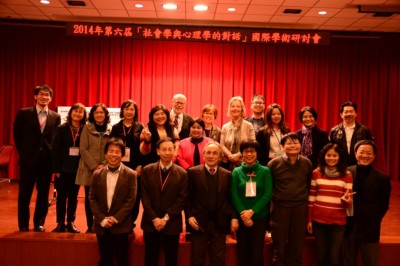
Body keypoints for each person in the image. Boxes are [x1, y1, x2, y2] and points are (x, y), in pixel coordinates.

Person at [13, 84, 61, 232]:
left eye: (47, 95)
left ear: (51, 98)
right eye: (41, 94)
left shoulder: (55, 116)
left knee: (43, 194)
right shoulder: (24, 113)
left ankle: (39, 223)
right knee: (24, 195)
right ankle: (23, 225)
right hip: (28, 161)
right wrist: (25, 153)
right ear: (35, 96)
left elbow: (56, 139)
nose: (44, 97)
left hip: (46, 162)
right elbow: (17, 135)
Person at [186, 141, 238, 266]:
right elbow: (187, 198)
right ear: (203, 155)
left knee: (218, 260)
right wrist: (189, 216)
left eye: (215, 153)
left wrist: (234, 217)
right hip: (198, 224)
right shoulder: (192, 172)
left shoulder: (227, 175)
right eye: (208, 153)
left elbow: (231, 199)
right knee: (197, 260)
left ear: (220, 157)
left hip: (219, 223)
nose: (211, 156)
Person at [89, 137, 137, 266]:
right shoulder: (97, 174)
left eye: (117, 152)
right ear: (105, 154)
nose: (114, 155)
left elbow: (131, 200)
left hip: (121, 226)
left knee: (122, 260)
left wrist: (115, 219)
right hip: (102, 225)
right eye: (111, 151)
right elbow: (92, 198)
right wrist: (102, 219)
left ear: (122, 155)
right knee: (105, 260)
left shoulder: (131, 174)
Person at [141, 137, 188, 266]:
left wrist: (166, 218)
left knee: (171, 258)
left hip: (172, 223)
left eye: (170, 149)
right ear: (157, 151)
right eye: (164, 149)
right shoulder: (147, 170)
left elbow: (182, 199)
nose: (167, 152)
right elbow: (144, 197)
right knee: (150, 258)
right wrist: (155, 218)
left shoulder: (182, 173)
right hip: (151, 223)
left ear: (174, 151)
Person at [267, 133, 313, 266]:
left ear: (301, 145)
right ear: (282, 146)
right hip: (279, 209)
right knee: (279, 247)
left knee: (297, 246)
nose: (292, 145)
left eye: (295, 142)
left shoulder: (307, 163)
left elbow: (308, 184)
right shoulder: (273, 164)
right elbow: (270, 188)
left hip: (300, 208)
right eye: (288, 143)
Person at [343, 140, 391, 266]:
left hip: (370, 227)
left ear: (374, 156)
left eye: (369, 153)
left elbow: (384, 205)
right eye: (362, 152)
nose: (365, 156)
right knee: (347, 261)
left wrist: (372, 219)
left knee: (370, 261)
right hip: (348, 226)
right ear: (355, 153)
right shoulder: (346, 172)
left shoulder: (382, 178)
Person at [307, 143, 353, 266]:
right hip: (319, 220)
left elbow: (349, 203)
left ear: (340, 157)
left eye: (335, 155)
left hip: (338, 221)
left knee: (334, 257)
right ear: (323, 156)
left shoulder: (347, 175)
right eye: (328, 155)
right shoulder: (316, 173)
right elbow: (311, 197)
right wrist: (309, 219)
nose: (331, 158)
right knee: (321, 256)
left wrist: (346, 200)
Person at [231, 140, 273, 266]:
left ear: (257, 153)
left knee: (256, 253)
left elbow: (267, 194)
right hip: (242, 217)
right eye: (246, 151)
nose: (249, 154)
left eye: (252, 151)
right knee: (242, 251)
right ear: (242, 153)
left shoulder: (265, 171)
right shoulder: (236, 171)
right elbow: (234, 194)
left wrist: (252, 211)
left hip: (260, 217)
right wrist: (244, 214)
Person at [76, 103, 112, 233]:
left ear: (106, 114)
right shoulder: (86, 128)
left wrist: (103, 164)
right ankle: (90, 225)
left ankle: (101, 223)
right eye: (96, 112)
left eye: (102, 112)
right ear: (92, 115)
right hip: (88, 169)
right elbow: (83, 149)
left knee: (103, 198)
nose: (99, 115)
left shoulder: (110, 129)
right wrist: (94, 166)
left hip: (106, 168)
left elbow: (111, 149)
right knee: (90, 198)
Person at [51, 103, 87, 233]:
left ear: (84, 115)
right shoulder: (62, 128)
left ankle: (71, 222)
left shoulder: (85, 129)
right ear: (70, 113)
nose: (78, 114)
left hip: (77, 170)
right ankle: (60, 223)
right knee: (61, 197)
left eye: (80, 112)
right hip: (62, 170)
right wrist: (56, 169)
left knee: (73, 197)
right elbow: (55, 150)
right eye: (75, 111)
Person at [111, 99, 144, 229]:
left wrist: (140, 165)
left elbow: (144, 148)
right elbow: (112, 147)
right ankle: (119, 219)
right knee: (119, 194)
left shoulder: (140, 127)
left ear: (135, 112)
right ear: (122, 111)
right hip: (118, 164)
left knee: (134, 195)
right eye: (127, 109)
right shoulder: (116, 127)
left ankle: (131, 221)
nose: (129, 112)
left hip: (136, 166)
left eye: (132, 109)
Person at [330, 101, 373, 166]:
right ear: (341, 114)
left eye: (351, 111)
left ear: (356, 114)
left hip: (360, 164)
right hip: (340, 165)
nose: (348, 114)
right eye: (346, 112)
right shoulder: (334, 131)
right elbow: (331, 149)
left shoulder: (365, 130)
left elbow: (370, 149)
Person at [220, 96, 255, 170]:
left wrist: (237, 155)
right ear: (230, 109)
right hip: (227, 164)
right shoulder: (225, 127)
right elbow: (222, 145)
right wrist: (230, 156)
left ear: (242, 108)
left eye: (238, 106)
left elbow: (252, 144)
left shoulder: (249, 125)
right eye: (233, 106)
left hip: (245, 163)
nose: (235, 108)